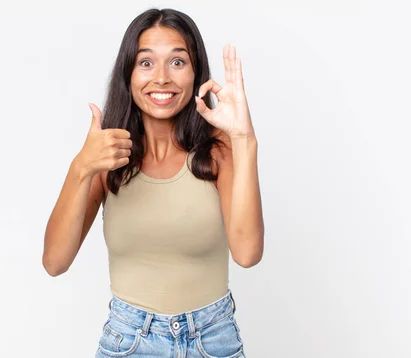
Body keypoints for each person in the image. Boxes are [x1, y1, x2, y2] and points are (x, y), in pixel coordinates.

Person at [42, 7, 264, 357]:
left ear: (196, 73)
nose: (161, 78)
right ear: (128, 74)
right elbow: (55, 262)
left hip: (213, 339)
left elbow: (248, 254)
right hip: (130, 341)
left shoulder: (220, 150)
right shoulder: (107, 156)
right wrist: (80, 168)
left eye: (177, 62)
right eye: (146, 63)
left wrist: (244, 139)